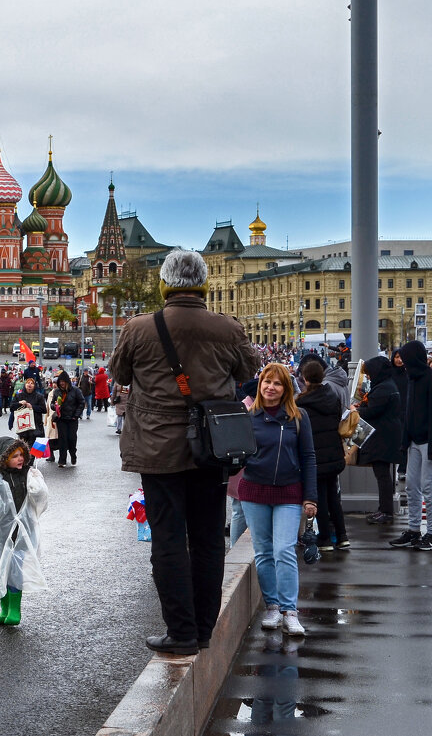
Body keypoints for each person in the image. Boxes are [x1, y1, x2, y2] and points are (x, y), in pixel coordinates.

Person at [110, 248, 259, 656]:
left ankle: (181, 632)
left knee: (169, 538)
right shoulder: (228, 327)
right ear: (204, 285)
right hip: (212, 447)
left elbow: (120, 373)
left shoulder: (139, 328)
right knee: (210, 537)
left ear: (164, 285)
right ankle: (204, 629)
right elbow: (248, 373)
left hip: (157, 449)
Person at [242, 363, 318, 636]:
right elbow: (238, 455)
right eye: (266, 382)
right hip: (254, 492)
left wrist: (311, 497)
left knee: (284, 550)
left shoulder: (299, 417)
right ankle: (272, 607)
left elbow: (308, 457)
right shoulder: (249, 417)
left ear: (286, 388)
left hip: (288, 492)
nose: (270, 387)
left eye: (277, 383)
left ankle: (290, 611)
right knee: (263, 552)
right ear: (260, 384)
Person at [0, 437, 49, 627]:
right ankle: (4, 607)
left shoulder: (29, 474)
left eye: (22, 455)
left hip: (21, 533)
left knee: (15, 569)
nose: (20, 459)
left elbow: (42, 498)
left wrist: (37, 486)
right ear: (3, 458)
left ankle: (15, 609)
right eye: (15, 456)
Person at [295, 360, 348, 551]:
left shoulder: (301, 403)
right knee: (334, 496)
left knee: (320, 498)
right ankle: (342, 536)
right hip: (334, 454)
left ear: (305, 378)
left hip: (315, 457)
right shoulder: (332, 397)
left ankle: (324, 538)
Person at [390, 340, 432, 550]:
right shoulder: (413, 379)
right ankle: (414, 530)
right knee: (411, 487)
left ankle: (431, 533)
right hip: (415, 441)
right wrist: (405, 441)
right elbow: (408, 412)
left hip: (427, 442)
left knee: (428, 488)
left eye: (406, 360)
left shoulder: (428, 379)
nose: (403, 364)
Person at [355, 356, 403, 526]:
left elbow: (372, 412)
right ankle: (384, 508)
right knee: (383, 475)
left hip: (383, 437)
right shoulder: (387, 385)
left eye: (369, 373)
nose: (368, 376)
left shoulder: (383, 388)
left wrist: (357, 410)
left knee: (382, 475)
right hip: (387, 435)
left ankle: (386, 512)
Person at [48, 372, 84, 467]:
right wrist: (54, 406)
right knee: (62, 440)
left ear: (67, 381)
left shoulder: (76, 390)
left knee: (72, 438)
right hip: (61, 419)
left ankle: (73, 454)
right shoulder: (57, 391)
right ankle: (62, 460)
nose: (62, 383)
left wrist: (76, 415)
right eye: (60, 381)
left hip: (72, 419)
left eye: (63, 381)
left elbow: (81, 403)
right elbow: (52, 404)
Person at [10, 376, 47, 452]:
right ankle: (25, 462)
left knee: (32, 446)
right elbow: (11, 407)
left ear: (34, 386)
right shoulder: (19, 395)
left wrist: (32, 407)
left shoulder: (39, 396)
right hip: (23, 425)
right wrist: (19, 403)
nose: (29, 385)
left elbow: (44, 410)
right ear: (25, 385)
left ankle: (30, 462)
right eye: (28, 383)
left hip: (35, 425)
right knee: (23, 446)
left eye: (32, 383)